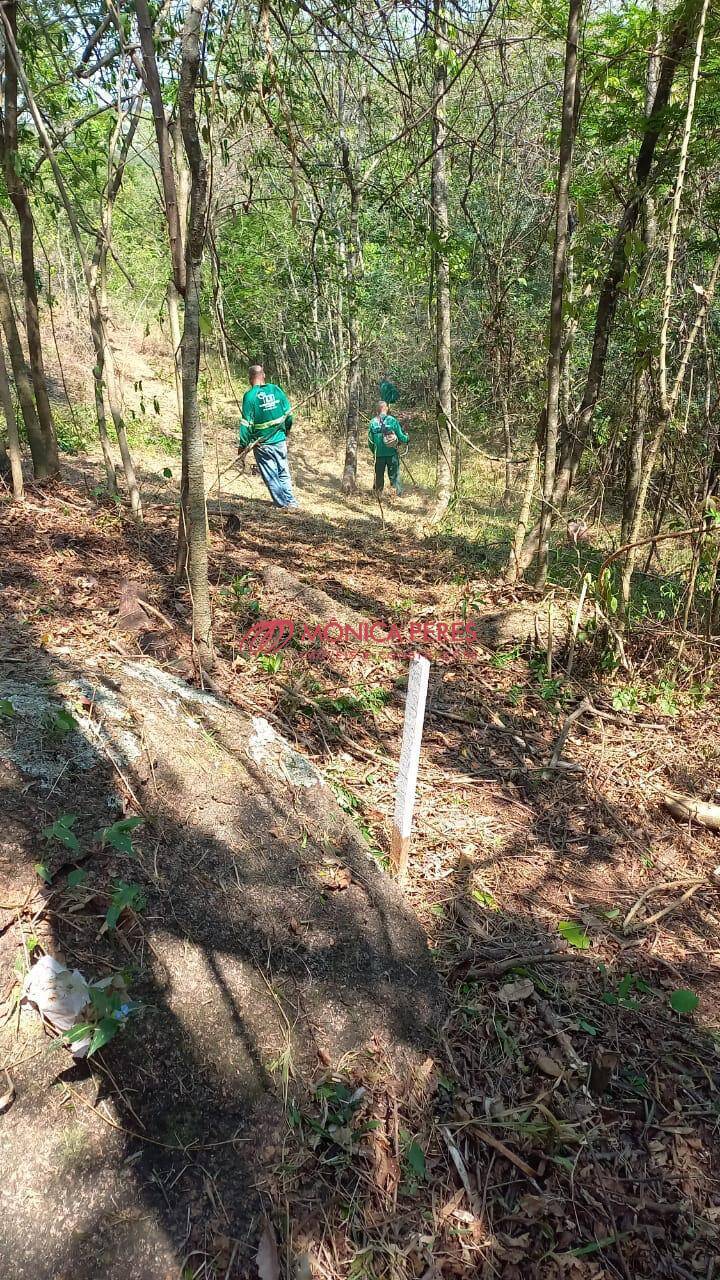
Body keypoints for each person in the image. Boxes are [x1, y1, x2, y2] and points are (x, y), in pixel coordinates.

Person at [238, 364, 298, 511]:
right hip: (279, 440)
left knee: (271, 475)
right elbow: (289, 415)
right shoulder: (276, 390)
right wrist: (286, 432)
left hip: (262, 444)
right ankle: (291, 503)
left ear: (250, 378)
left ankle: (282, 504)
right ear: (263, 375)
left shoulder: (250, 396)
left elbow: (246, 424)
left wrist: (243, 446)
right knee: (283, 472)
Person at [368, 400, 408, 496]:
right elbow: (401, 436)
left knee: (379, 475)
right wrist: (407, 439)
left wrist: (374, 451)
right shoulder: (392, 420)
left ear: (377, 410)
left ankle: (378, 493)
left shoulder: (373, 422)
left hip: (379, 454)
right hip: (392, 453)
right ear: (386, 408)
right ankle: (396, 494)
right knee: (394, 475)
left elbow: (370, 441)